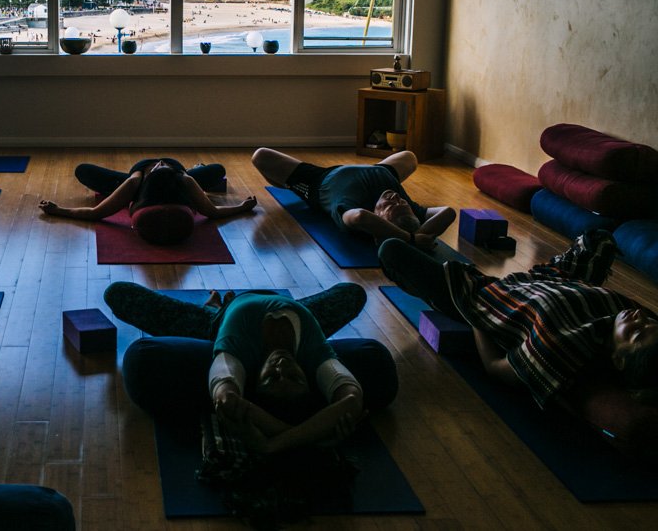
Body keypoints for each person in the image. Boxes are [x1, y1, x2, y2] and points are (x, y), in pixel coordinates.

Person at [107, 282, 398, 453]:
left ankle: (213, 307)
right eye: (295, 376)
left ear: (253, 378)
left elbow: (225, 394)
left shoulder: (237, 348)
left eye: (271, 376)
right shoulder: (315, 353)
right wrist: (287, 439)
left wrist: (268, 443)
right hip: (300, 308)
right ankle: (215, 304)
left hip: (212, 326)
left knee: (118, 292)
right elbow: (351, 399)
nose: (282, 365)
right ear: (309, 377)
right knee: (353, 292)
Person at [378, 230, 658, 408]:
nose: (640, 319)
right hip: (549, 282)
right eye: (649, 323)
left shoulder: (565, 348)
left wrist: (476, 314)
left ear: (619, 359)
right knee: (599, 240)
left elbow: (495, 367)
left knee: (390, 250)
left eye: (636, 333)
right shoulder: (622, 312)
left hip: (482, 296)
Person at [251, 147, 455, 248]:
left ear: (378, 216)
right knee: (409, 156)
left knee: (260, 156)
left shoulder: (351, 208)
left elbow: (359, 218)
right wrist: (419, 235)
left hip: (319, 180)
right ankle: (288, 182)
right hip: (382, 171)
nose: (396, 197)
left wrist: (407, 240)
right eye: (401, 201)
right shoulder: (409, 210)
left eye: (391, 205)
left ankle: (290, 184)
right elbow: (448, 212)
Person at [39, 158, 257, 244]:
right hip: (176, 177)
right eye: (158, 166)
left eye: (159, 167)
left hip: (134, 181)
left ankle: (197, 168)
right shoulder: (186, 181)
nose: (159, 162)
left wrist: (59, 210)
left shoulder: (136, 182)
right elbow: (213, 212)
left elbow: (96, 213)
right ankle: (198, 167)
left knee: (83, 171)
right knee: (217, 170)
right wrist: (242, 207)